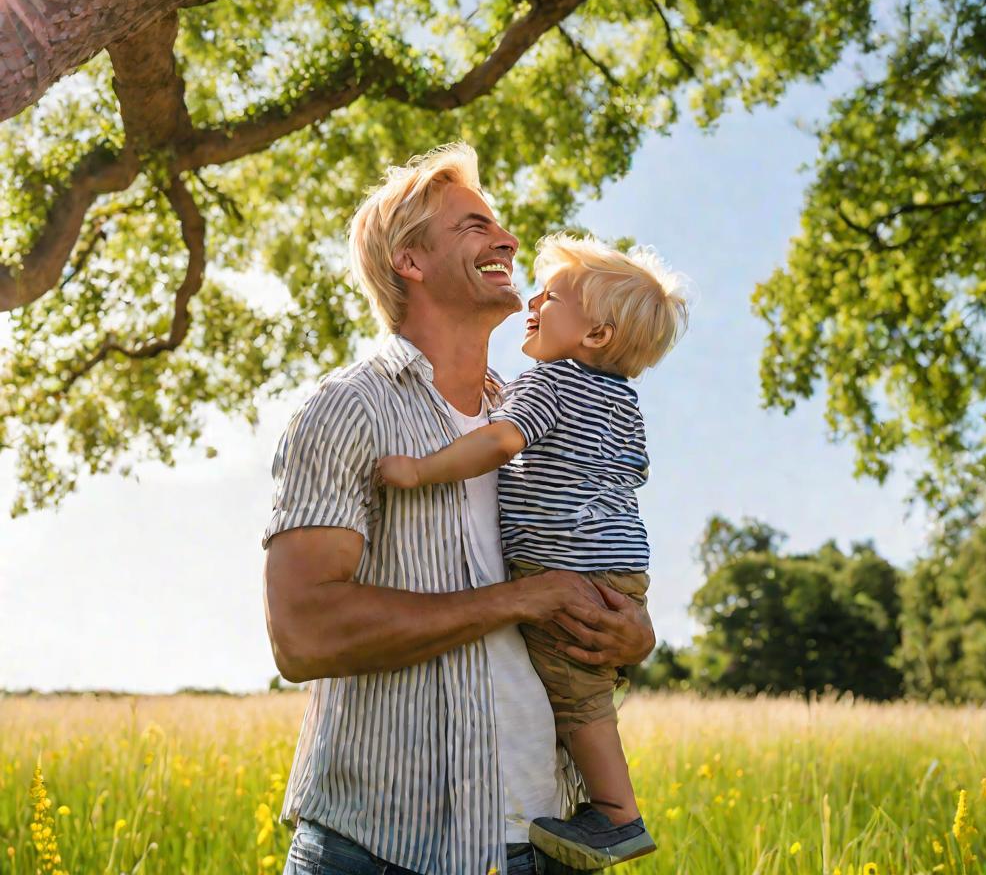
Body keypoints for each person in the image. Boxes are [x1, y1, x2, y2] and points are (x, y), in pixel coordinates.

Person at [262, 142, 656, 875]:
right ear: (410, 260)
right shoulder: (348, 409)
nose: (508, 240)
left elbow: (586, 568)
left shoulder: (543, 415)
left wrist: (628, 636)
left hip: (545, 844)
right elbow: (303, 634)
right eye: (475, 227)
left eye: (500, 227)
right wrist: (520, 598)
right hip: (380, 850)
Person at [376, 233, 688, 870]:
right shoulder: (620, 401)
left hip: (566, 570)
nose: (533, 300)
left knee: (579, 700)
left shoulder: (550, 385)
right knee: (583, 690)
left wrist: (420, 471)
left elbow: (499, 443)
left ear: (595, 336)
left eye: (554, 296)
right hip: (618, 567)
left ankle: (619, 815)